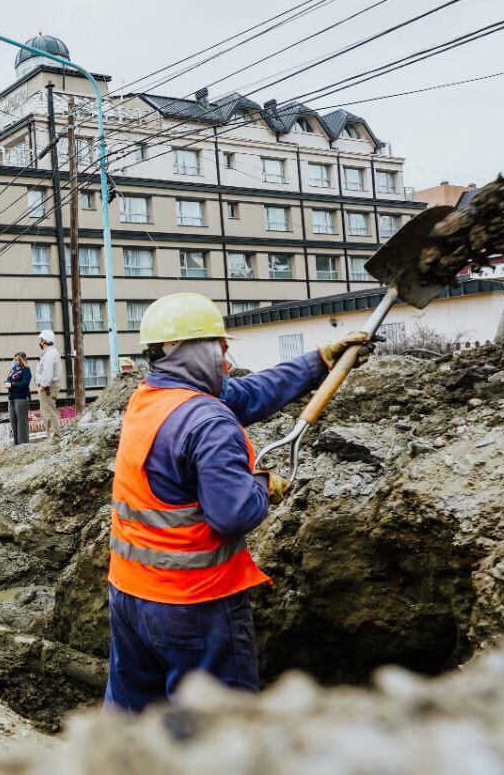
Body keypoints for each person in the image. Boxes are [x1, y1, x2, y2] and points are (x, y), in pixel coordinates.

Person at [104, 292, 375, 715]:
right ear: (186, 350)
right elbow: (234, 513)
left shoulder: (150, 398)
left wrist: (318, 361)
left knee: (132, 721)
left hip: (131, 596)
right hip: (195, 605)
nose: (227, 359)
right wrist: (262, 487)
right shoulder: (209, 422)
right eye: (220, 347)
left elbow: (247, 394)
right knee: (219, 728)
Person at [35, 330, 63, 440]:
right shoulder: (50, 352)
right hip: (49, 386)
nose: (39, 342)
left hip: (48, 387)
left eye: (40, 339)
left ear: (43, 341)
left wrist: (43, 386)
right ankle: (52, 436)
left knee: (49, 412)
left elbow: (48, 372)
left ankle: (54, 437)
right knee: (47, 412)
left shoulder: (50, 354)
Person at [3, 352, 32, 445]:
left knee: (21, 423)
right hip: (11, 398)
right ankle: (16, 444)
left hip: (21, 398)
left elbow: (24, 384)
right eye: (14, 359)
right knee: (13, 422)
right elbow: (8, 379)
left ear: (22, 361)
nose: (14, 362)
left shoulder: (26, 370)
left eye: (16, 360)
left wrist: (12, 385)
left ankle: (23, 444)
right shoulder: (13, 370)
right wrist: (6, 383)